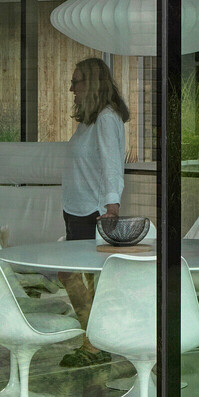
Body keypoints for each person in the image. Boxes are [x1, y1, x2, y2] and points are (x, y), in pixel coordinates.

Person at [59, 56, 131, 365]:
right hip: (76, 209)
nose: (71, 88)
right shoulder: (89, 121)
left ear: (93, 83)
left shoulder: (106, 118)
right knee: (80, 278)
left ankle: (94, 343)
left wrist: (111, 207)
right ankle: (94, 340)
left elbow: (112, 166)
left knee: (80, 277)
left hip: (94, 212)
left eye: (77, 81)